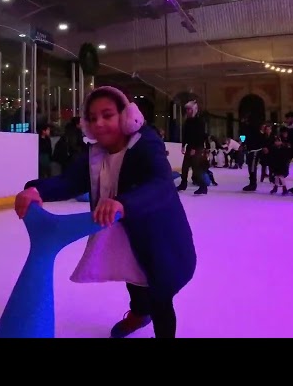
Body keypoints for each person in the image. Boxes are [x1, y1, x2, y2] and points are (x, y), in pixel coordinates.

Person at [14, 86, 196, 338]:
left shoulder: (146, 145)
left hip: (157, 231)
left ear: (126, 116)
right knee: (131, 272)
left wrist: (124, 202)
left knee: (159, 292)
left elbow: (161, 184)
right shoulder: (95, 153)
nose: (98, 123)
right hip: (123, 228)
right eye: (91, 117)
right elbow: (69, 182)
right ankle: (139, 313)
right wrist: (37, 190)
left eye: (107, 115)